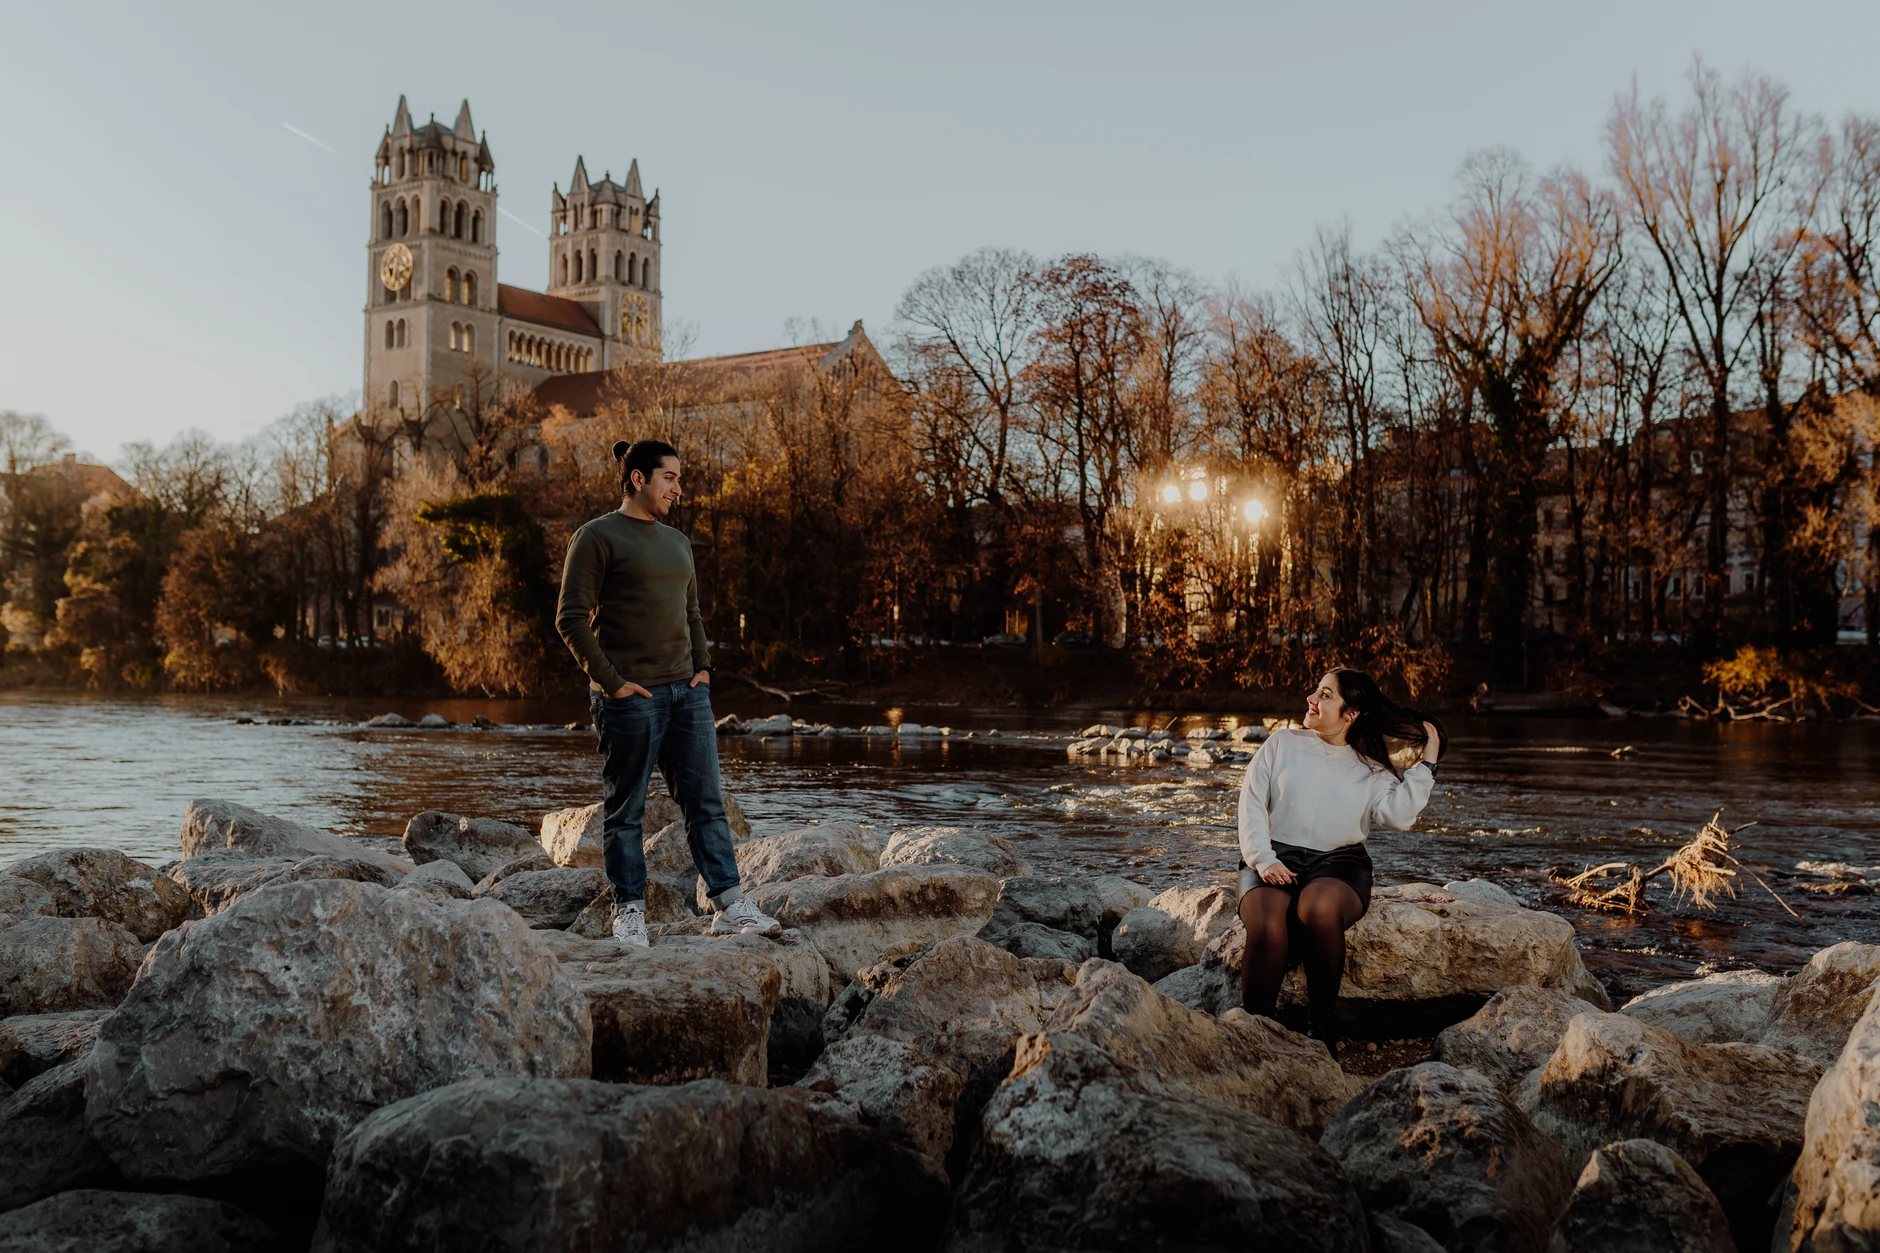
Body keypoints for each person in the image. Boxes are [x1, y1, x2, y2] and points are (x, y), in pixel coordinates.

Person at [555, 438, 781, 948]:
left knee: (706, 804)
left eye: (679, 478)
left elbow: (692, 612)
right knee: (625, 810)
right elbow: (570, 617)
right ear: (638, 478)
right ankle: (629, 911)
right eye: (670, 477)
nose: (679, 487)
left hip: (688, 695)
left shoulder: (678, 542)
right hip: (630, 699)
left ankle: (729, 903)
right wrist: (612, 683)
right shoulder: (596, 537)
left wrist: (702, 667)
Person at [1235, 669, 1444, 1059]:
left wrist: (1426, 766)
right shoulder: (1282, 743)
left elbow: (1397, 817)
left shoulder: (1371, 767)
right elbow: (1250, 803)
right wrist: (1263, 859)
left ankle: (1321, 1028)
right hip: (1272, 852)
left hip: (1340, 864)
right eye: (1315, 690)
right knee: (1267, 920)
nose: (1311, 699)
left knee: (1318, 907)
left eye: (1325, 694)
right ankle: (1253, 1030)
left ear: (1351, 714)